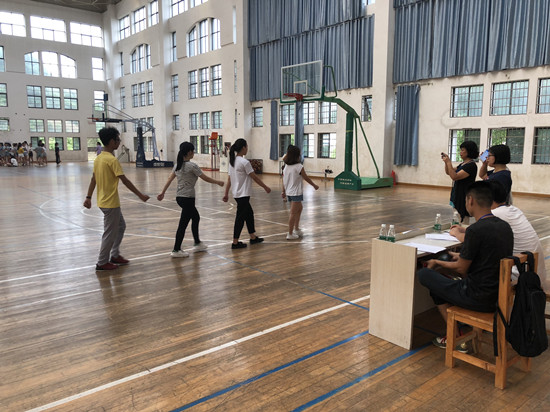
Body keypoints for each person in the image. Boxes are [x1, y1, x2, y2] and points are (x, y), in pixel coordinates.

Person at [417, 181, 513, 350]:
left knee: (425, 274)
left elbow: (461, 268)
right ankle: (456, 330)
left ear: (470, 200)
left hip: (476, 297)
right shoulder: (504, 227)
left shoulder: (476, 230)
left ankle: (455, 335)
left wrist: (436, 262)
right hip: (498, 296)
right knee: (440, 281)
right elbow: (487, 257)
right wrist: (461, 256)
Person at [451, 180, 548, 291]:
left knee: (472, 265)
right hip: (532, 271)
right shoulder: (513, 209)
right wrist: (463, 229)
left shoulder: (496, 214)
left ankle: (468, 294)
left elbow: (471, 237)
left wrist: (456, 233)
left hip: (518, 275)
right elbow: (479, 231)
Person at [83, 127, 150, 270]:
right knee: (109, 233)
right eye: (118, 139)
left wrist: (88, 197)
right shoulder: (112, 160)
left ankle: (114, 255)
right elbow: (125, 181)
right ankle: (102, 262)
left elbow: (93, 179)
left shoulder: (99, 158)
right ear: (112, 141)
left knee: (121, 226)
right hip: (110, 203)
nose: (119, 142)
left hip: (104, 201)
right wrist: (140, 195)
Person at [157, 142, 224, 258]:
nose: (194, 153)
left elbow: (169, 179)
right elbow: (205, 178)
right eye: (193, 151)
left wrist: (163, 192)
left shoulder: (177, 165)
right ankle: (176, 249)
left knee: (196, 217)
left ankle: (197, 243)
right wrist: (218, 182)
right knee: (183, 224)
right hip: (188, 198)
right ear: (189, 152)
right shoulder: (192, 166)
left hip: (180, 197)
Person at [222, 138, 271, 249]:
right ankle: (235, 242)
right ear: (244, 147)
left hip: (237, 194)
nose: (247, 148)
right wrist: (265, 187)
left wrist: (226, 193)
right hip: (243, 194)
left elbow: (229, 179)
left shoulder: (233, 162)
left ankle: (253, 237)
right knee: (240, 218)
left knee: (249, 214)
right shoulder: (244, 162)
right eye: (247, 146)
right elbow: (255, 177)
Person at [281, 145, 319, 239]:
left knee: (299, 208)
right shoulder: (299, 167)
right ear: (296, 156)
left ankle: (296, 229)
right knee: (293, 213)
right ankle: (290, 233)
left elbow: (284, 180)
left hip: (289, 192)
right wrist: (314, 185)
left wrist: (283, 191)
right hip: (296, 193)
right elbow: (306, 178)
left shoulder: (286, 167)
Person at [441, 141, 478, 223]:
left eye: (462, 150)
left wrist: (449, 162)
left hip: (464, 195)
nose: (460, 152)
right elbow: (449, 172)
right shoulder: (462, 164)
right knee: (456, 217)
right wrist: (446, 163)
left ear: (469, 151)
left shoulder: (471, 165)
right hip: (457, 194)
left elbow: (454, 176)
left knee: (463, 219)